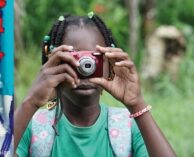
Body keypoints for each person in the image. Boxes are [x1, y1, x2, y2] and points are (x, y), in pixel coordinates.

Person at [14, 12, 176, 157]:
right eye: (74, 59)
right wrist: (30, 102)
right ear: (54, 65)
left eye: (94, 59)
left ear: (110, 64)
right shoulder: (32, 127)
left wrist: (136, 104)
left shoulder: (129, 127)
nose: (85, 68)